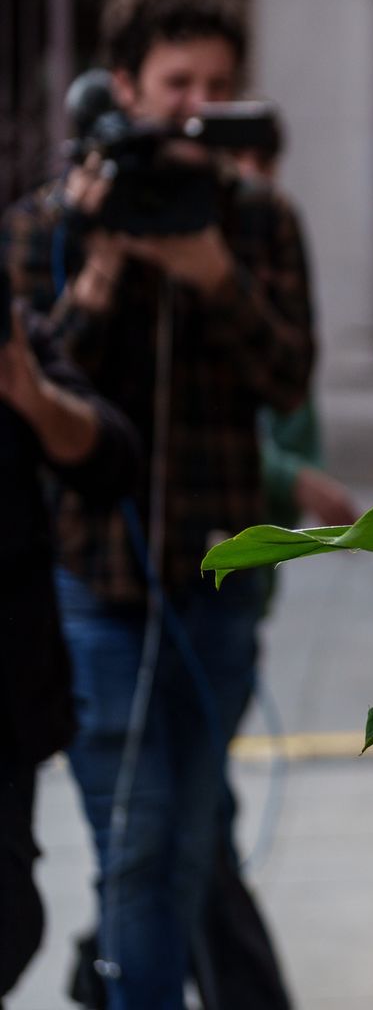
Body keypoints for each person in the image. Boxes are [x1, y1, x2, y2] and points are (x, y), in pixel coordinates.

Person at [0, 0, 313, 1010]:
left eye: (218, 85)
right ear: (122, 88)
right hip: (96, 584)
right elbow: (37, 401)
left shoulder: (259, 221)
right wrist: (101, 270)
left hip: (219, 580)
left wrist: (215, 277)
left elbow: (289, 379)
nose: (196, 107)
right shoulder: (48, 224)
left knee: (187, 842)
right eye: (177, 83)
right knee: (132, 844)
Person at [0, 298, 140, 1009]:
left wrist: (29, 393)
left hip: (8, 697)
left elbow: (111, 461)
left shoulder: (17, 335)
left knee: (11, 918)